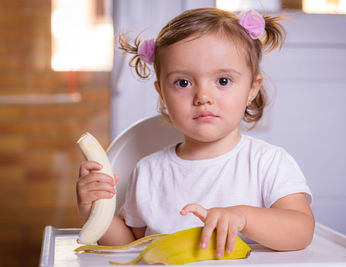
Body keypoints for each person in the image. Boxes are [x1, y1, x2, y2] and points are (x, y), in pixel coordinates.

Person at [77, 8, 315, 258]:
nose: (203, 97)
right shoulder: (148, 171)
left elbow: (302, 229)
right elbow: (131, 245)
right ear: (162, 93)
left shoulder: (267, 163)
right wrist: (94, 210)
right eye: (183, 82)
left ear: (252, 89)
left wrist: (243, 217)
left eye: (223, 81)